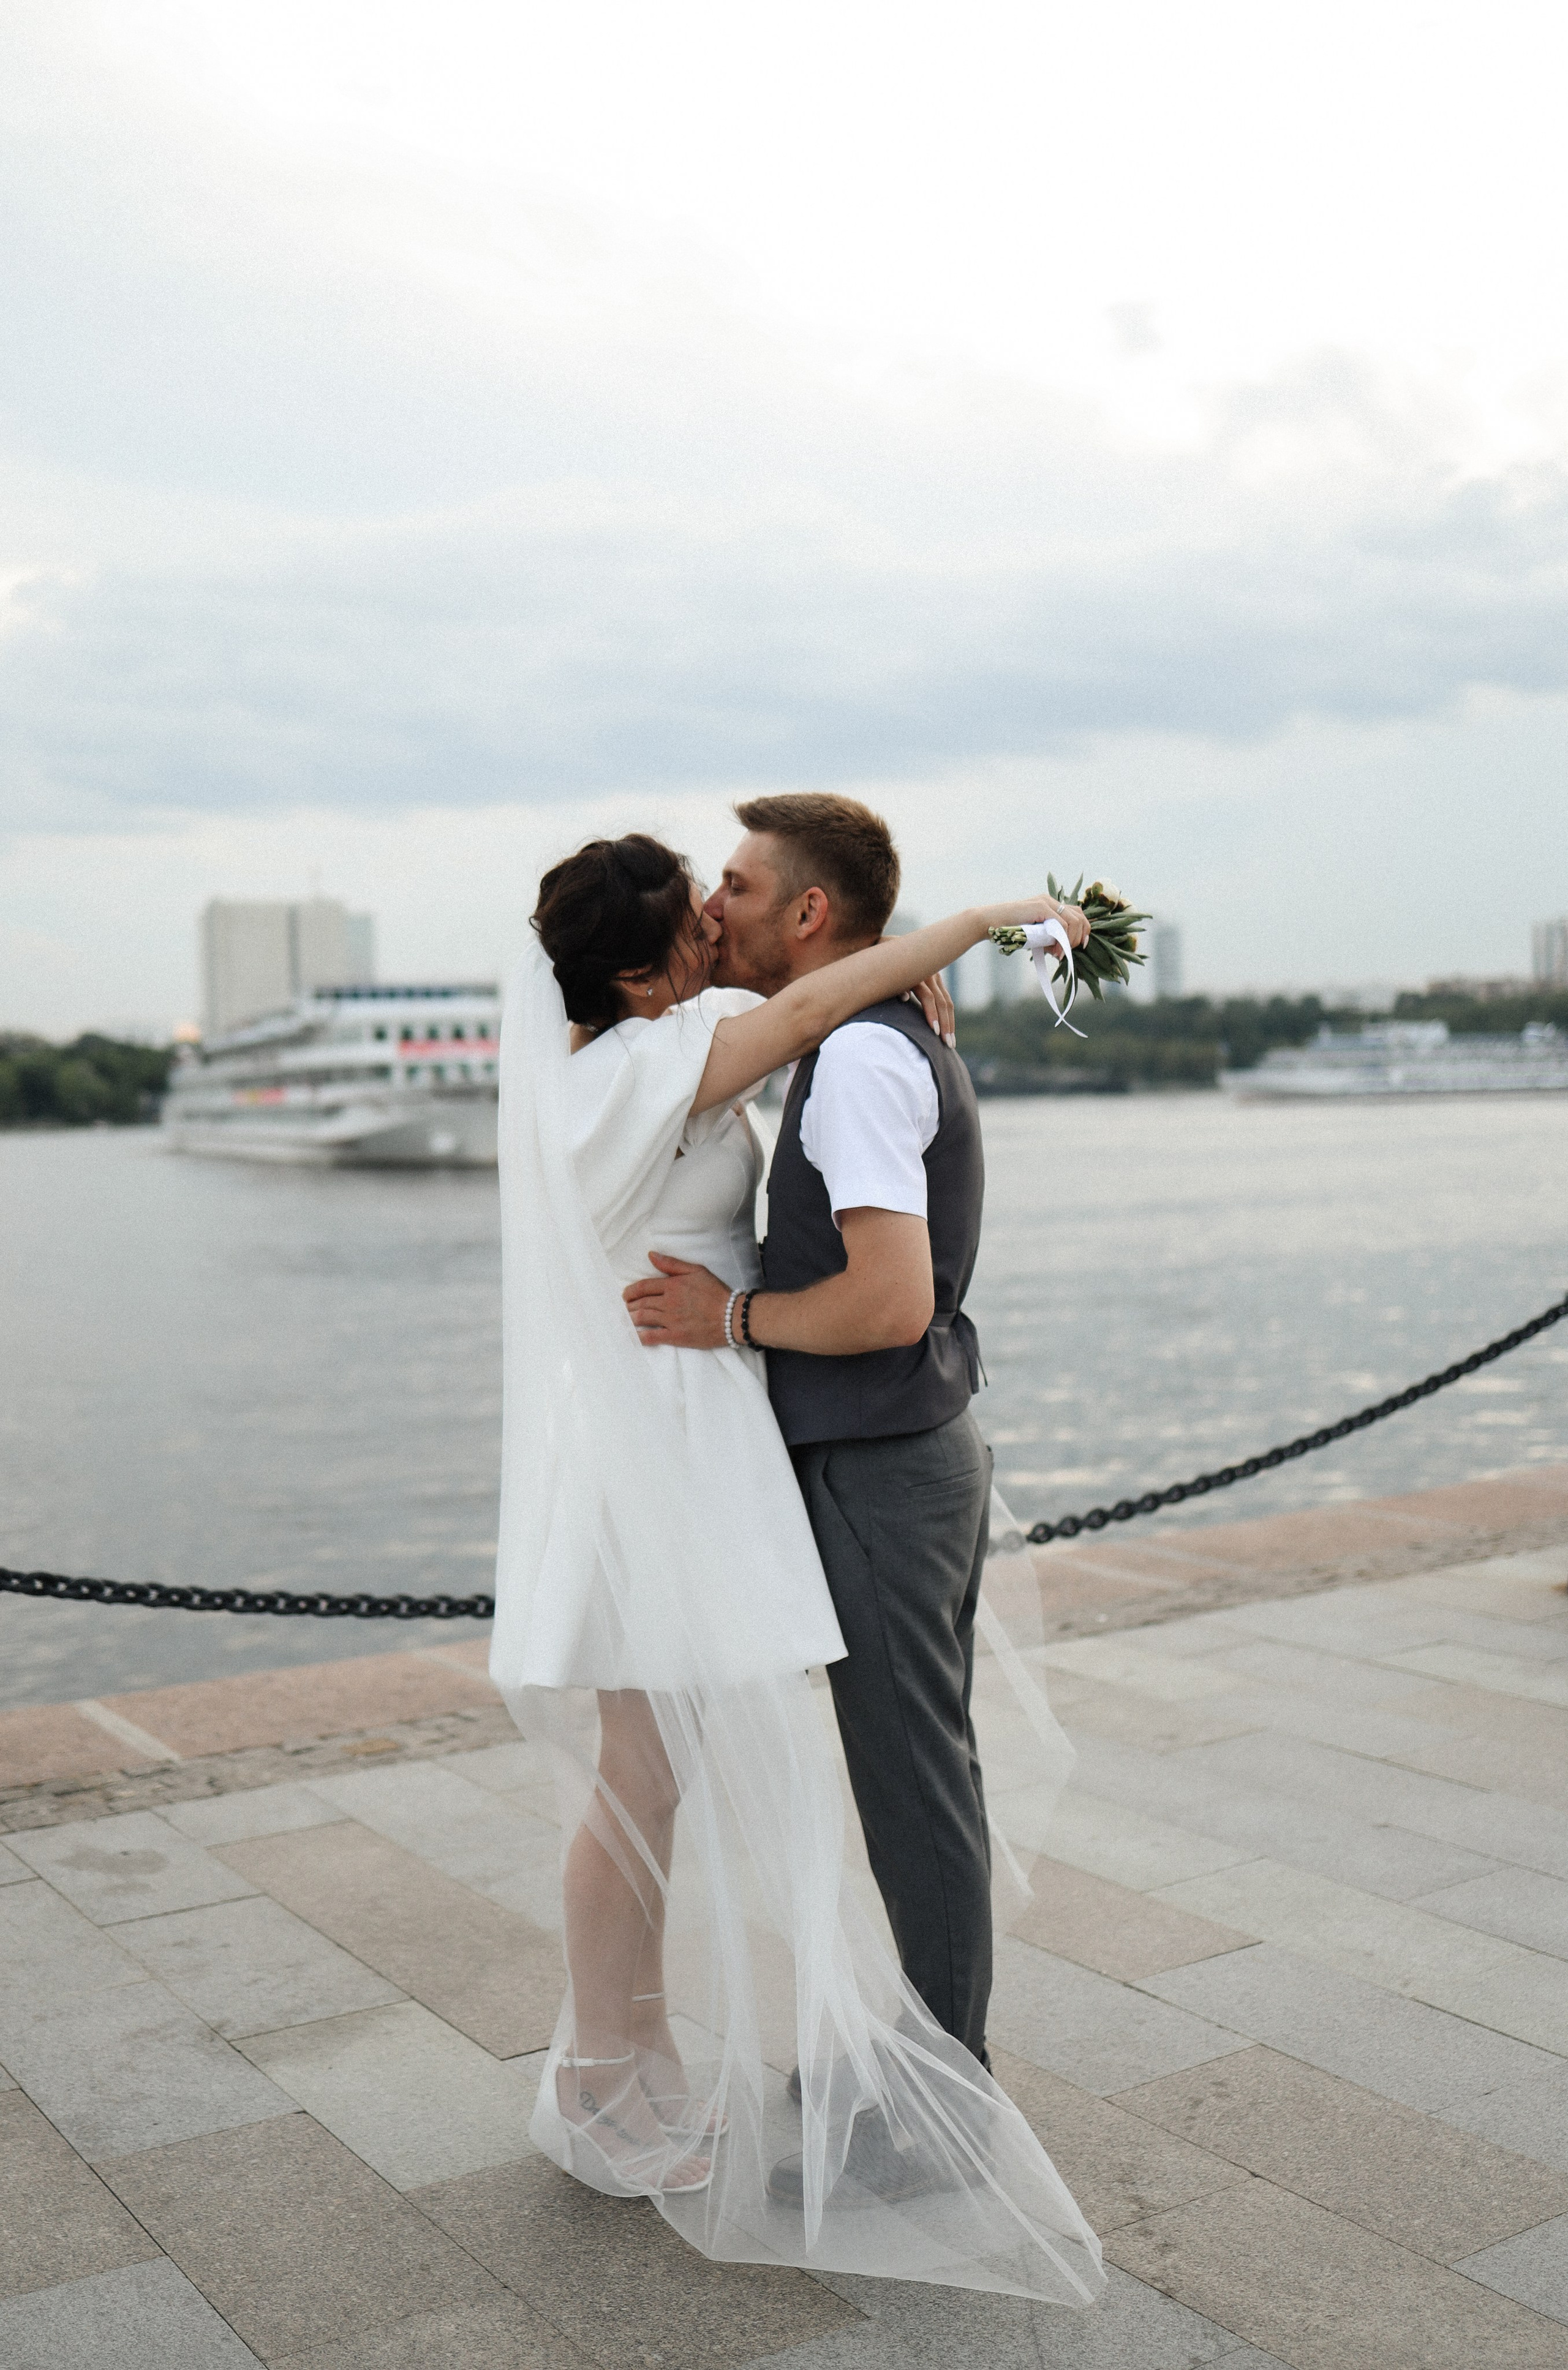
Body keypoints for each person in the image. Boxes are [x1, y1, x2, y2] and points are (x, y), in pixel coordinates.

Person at [491, 828, 1102, 2305]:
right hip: (660, 1431)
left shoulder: (669, 1030)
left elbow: (816, 1021)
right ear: (637, 976)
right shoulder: (631, 1071)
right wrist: (962, 932)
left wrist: (893, 1005)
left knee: (662, 1771)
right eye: (693, 919)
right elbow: (808, 1017)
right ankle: (599, 2082)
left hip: (694, 1424)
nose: (715, 917)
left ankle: (628, 2069)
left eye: (731, 891)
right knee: (636, 1779)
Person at [623, 796, 1018, 2108]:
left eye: (734, 884)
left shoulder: (853, 1061)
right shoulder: (865, 1036)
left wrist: (722, 1316)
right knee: (925, 1769)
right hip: (907, 1455)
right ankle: (935, 2062)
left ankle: (942, 2098)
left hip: (880, 1471)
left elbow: (886, 1302)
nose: (709, 907)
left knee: (910, 1786)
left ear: (807, 912)